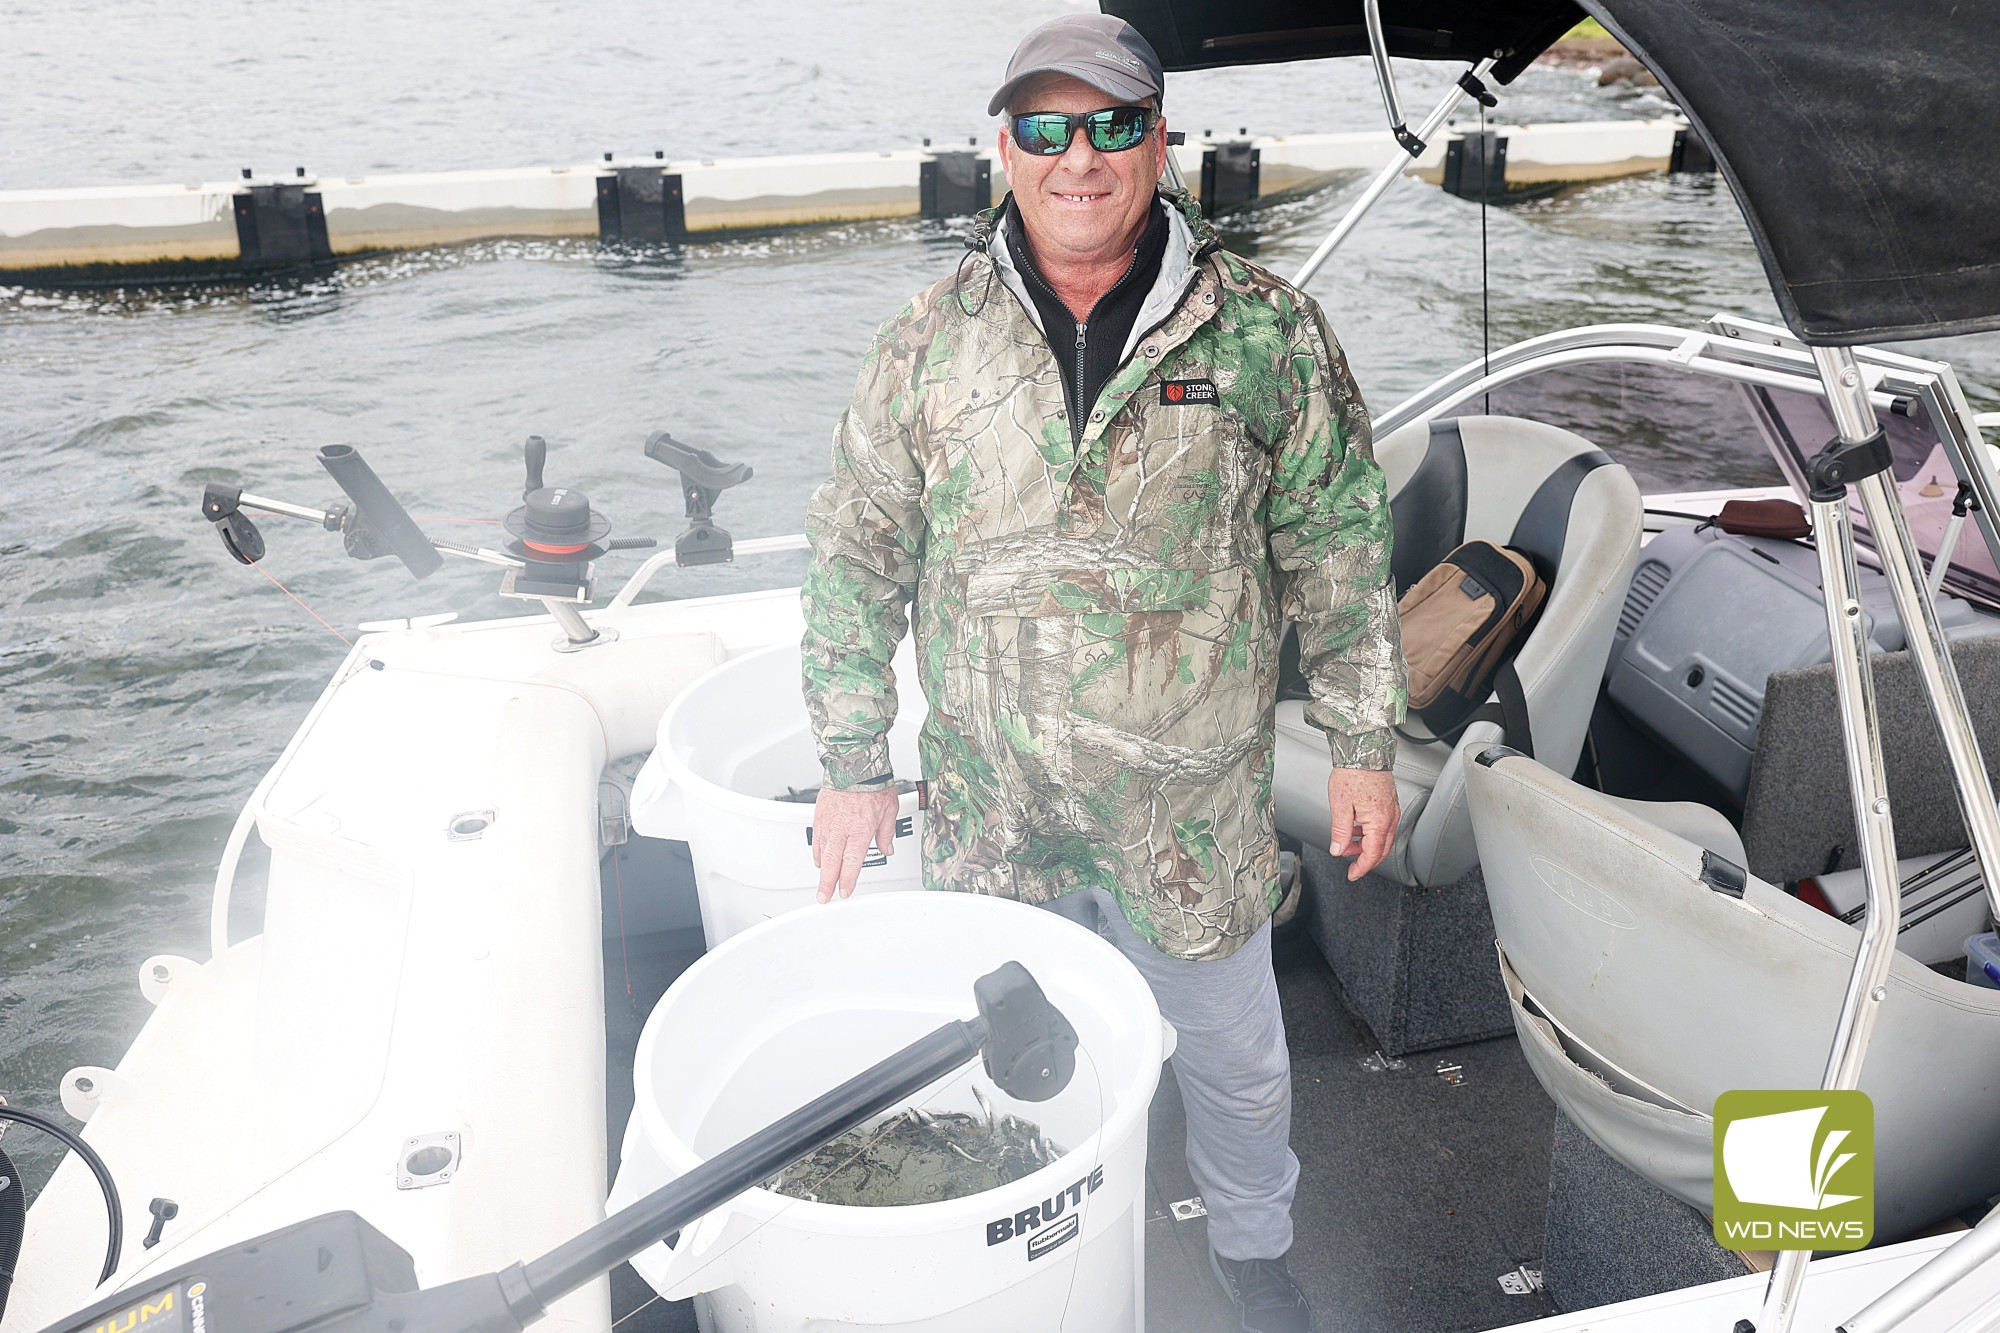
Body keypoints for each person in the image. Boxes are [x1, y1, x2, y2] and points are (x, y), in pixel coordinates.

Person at [798, 14, 1404, 1332]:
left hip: (1189, 821)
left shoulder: (1267, 336)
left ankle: (1253, 1249)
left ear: (1160, 142)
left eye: (1114, 124)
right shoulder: (924, 341)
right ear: (1003, 149)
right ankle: (1045, 1242)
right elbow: (854, 556)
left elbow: (1343, 551)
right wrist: (852, 766)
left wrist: (1362, 740)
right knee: (1013, 1051)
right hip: (989, 810)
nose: (1082, 157)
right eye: (1048, 127)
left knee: (1238, 1061)